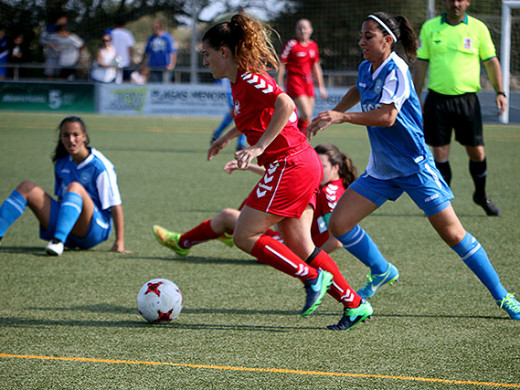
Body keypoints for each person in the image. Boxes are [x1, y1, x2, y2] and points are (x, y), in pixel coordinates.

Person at [307, 12, 520, 320]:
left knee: (454, 235)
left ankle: (504, 297)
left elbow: (387, 116)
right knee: (339, 224)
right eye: (362, 35)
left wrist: (342, 117)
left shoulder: (396, 69)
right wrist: (334, 110)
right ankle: (381, 271)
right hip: (381, 171)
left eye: (368, 36)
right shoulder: (367, 67)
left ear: (387, 40)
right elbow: (359, 87)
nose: (361, 41)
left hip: (415, 168)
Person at [199, 12, 372, 331]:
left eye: (206, 55)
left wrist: (260, 148)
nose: (204, 61)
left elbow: (286, 105)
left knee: (244, 234)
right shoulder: (239, 83)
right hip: (299, 164)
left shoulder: (251, 78)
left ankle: (310, 276)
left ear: (224, 52)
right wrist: (226, 138)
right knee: (301, 246)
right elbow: (250, 117)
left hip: (290, 164)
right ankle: (354, 304)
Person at [152, 143, 357, 256]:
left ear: (336, 167)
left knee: (227, 215)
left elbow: (336, 241)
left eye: (323, 166)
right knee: (265, 193)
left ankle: (182, 243)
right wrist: (249, 166)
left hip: (288, 246)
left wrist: (309, 258)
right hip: (289, 239)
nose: (318, 170)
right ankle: (229, 231)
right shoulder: (327, 187)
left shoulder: (330, 195)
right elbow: (283, 180)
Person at [412, 0, 505, 216]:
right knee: (440, 152)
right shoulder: (430, 27)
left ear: (467, 2)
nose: (455, 3)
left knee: (476, 152)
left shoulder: (478, 28)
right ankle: (444, 202)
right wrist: (415, 96)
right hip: (438, 100)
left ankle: (480, 195)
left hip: (467, 101)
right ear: (444, 1)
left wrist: (500, 92)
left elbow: (491, 61)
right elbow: (421, 64)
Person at [0, 116, 130, 256]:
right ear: (61, 138)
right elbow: (61, 198)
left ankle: (58, 241)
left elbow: (115, 205)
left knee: (75, 187)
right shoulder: (61, 162)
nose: (71, 140)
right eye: (66, 135)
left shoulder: (99, 166)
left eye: (76, 135)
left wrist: (119, 241)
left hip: (94, 229)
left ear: (84, 137)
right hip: (70, 229)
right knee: (26, 187)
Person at [277, 19, 327, 133]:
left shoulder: (313, 45)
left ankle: (299, 137)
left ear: (310, 30)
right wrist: (279, 84)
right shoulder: (291, 44)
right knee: (306, 113)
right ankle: (298, 136)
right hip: (294, 81)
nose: (302, 31)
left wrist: (321, 87)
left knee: (307, 117)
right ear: (296, 31)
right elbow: (282, 64)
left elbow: (316, 67)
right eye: (300, 28)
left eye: (305, 28)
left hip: (308, 82)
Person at [210, 78, 247, 151]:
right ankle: (240, 144)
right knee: (237, 113)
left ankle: (217, 134)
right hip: (231, 89)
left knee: (241, 115)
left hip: (241, 89)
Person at [40, 13, 68, 79]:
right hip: (51, 55)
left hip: (64, 57)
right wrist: (49, 44)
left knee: (62, 75)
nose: (65, 21)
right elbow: (41, 40)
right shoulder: (49, 28)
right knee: (50, 73)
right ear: (59, 19)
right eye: (64, 19)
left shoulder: (67, 29)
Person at [110, 17, 135, 83]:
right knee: (125, 81)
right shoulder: (127, 34)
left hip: (113, 61)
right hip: (125, 61)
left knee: (114, 80)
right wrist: (131, 59)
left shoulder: (111, 33)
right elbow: (131, 47)